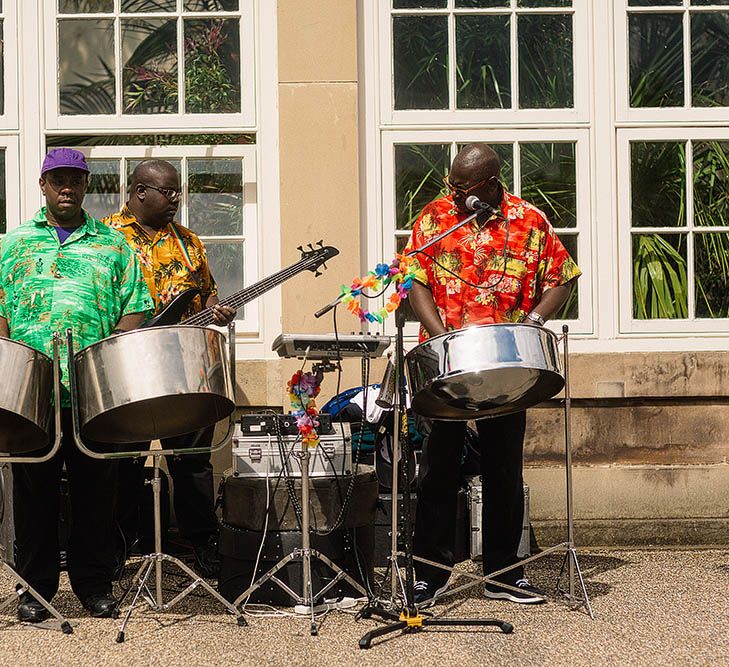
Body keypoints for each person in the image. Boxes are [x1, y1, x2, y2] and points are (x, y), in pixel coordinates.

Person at [404, 143, 581, 606]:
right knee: (437, 471)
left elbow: (562, 277)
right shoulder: (435, 218)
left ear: (489, 184)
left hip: (505, 367)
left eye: (462, 187)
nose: (454, 193)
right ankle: (429, 574)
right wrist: (442, 338)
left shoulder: (529, 220)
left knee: (504, 470)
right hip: (451, 365)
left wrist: (534, 322)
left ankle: (504, 574)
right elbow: (415, 279)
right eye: (452, 184)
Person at [0, 148, 153, 622]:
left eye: (76, 179)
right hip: (32, 391)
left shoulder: (113, 246)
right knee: (33, 493)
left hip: (92, 390)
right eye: (58, 179)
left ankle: (93, 586)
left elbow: (137, 305)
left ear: (87, 186)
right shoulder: (12, 244)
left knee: (96, 492)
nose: (67, 187)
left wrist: (113, 353)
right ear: (42, 185)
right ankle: (35, 590)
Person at [102, 159, 235, 578]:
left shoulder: (188, 242)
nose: (177, 199)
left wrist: (217, 311)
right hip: (128, 366)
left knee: (192, 461)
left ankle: (203, 546)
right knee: (122, 460)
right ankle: (119, 549)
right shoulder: (105, 236)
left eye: (179, 191)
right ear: (140, 192)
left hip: (183, 366)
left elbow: (208, 294)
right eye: (168, 191)